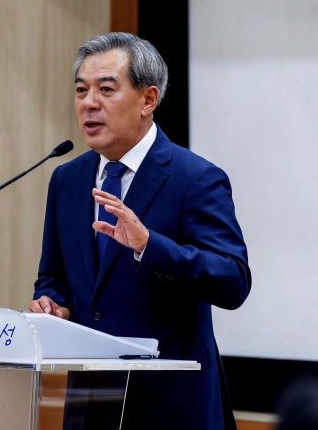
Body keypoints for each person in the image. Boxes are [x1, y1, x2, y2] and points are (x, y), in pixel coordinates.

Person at [29, 32, 251, 429]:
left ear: (148, 100)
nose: (89, 102)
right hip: (91, 404)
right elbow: (53, 277)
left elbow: (232, 281)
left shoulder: (195, 178)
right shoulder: (67, 179)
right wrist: (52, 304)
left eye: (106, 89)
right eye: (81, 90)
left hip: (172, 406)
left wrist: (149, 246)